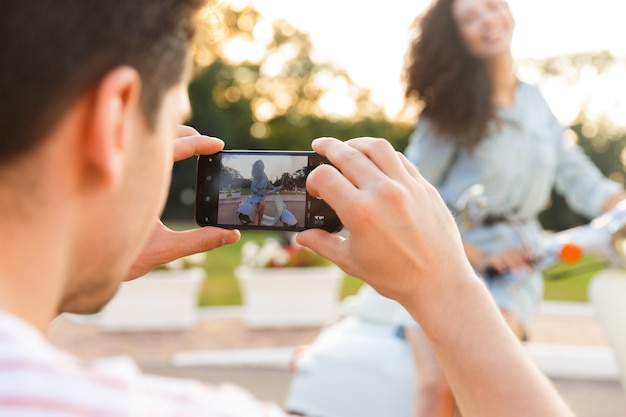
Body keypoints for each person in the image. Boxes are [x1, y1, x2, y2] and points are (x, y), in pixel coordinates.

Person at [0, 2, 584, 417]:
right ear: (112, 124)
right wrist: (450, 286)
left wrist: (75, 258)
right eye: (166, 121)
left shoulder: (538, 107)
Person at [399, 0, 626, 416]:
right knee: (437, 385)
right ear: (456, 37)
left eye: (491, 6)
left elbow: (581, 179)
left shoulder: (536, 102)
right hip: (446, 255)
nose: (487, 20)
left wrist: (620, 204)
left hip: (521, 262)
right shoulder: (447, 111)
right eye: (470, 17)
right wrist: (481, 256)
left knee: (491, 364)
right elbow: (411, 194)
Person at [250, 159, 273, 225]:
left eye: (262, 164)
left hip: (262, 193)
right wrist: (258, 192)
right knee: (256, 210)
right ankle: (255, 225)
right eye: (259, 165)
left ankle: (259, 224)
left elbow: (268, 183)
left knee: (262, 205)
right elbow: (252, 187)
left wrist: (275, 188)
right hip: (256, 193)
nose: (261, 165)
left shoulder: (265, 174)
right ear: (257, 167)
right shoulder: (256, 176)